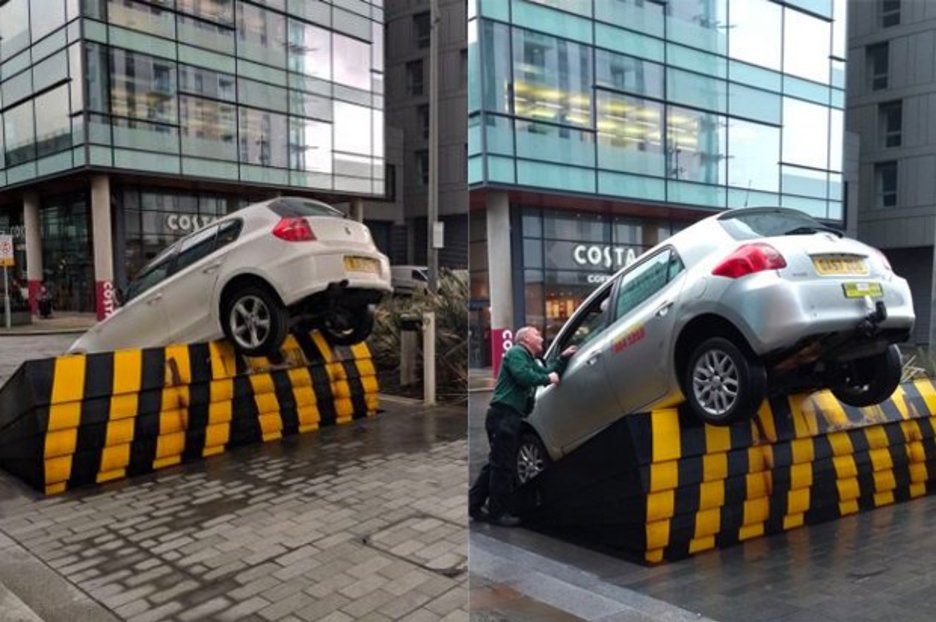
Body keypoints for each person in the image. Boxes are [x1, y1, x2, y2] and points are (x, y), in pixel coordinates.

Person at [469, 326, 576, 527]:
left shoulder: (527, 358)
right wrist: (547, 379)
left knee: (495, 463)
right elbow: (524, 376)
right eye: (537, 335)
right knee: (503, 467)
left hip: (508, 416)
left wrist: (562, 359)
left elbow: (546, 370)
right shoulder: (516, 353)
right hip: (504, 415)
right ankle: (498, 513)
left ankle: (474, 505)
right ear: (526, 338)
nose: (541, 338)